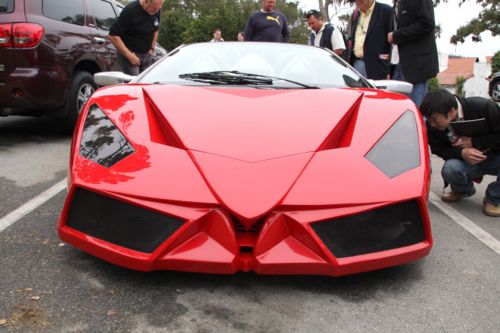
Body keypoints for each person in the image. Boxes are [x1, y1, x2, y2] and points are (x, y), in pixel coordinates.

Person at [420, 89, 500, 217]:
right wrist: (462, 153)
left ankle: (494, 198)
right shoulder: (432, 126)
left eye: (434, 119)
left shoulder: (484, 107)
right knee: (450, 168)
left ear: (451, 111)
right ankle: (463, 190)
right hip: (467, 163)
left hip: (495, 158)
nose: (432, 124)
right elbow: (438, 149)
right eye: (428, 119)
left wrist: (474, 141)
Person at [387, 0, 438, 107]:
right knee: (397, 109)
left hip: (416, 66)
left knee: (415, 109)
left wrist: (397, 35)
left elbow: (427, 24)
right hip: (398, 63)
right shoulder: (398, 3)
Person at [109, 0, 163, 75]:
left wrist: (152, 49)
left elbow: (156, 30)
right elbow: (113, 35)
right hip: (130, 56)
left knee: (145, 82)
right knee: (134, 84)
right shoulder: (130, 11)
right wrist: (129, 55)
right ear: (146, 1)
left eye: (159, 8)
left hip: (146, 55)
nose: (157, 11)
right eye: (154, 8)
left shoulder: (157, 11)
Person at [348, 0, 393, 80]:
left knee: (376, 92)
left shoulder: (386, 11)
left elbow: (392, 41)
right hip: (357, 65)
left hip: (378, 67)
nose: (357, 3)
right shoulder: (355, 15)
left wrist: (389, 70)